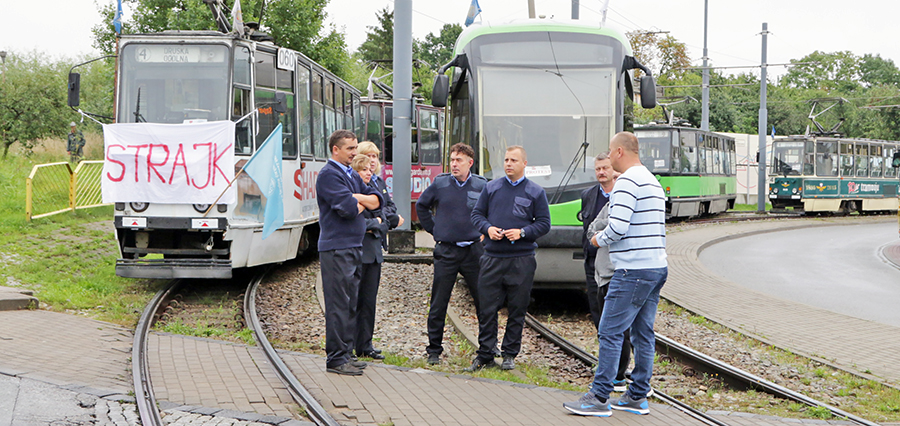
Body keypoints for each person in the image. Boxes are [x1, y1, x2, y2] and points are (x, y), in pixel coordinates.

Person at [564, 132, 667, 417]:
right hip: (656, 266)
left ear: (620, 152)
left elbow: (618, 227)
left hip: (631, 269)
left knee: (609, 331)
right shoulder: (652, 181)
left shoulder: (626, 183)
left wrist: (596, 240)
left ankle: (598, 397)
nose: (608, 157)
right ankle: (637, 396)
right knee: (643, 332)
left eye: (610, 152)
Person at [467, 145, 551, 372]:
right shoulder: (491, 188)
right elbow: (477, 214)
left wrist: (523, 232)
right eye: (506, 160)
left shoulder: (535, 192)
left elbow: (544, 223)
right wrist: (488, 228)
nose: (508, 164)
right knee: (487, 308)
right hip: (492, 257)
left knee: (517, 308)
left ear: (524, 164)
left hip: (521, 259)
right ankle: (485, 353)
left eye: (514, 160)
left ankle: (509, 354)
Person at [316, 130, 382, 376]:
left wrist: (358, 198)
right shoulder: (329, 175)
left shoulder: (350, 174)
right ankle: (335, 358)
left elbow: (378, 201)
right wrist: (360, 202)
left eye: (356, 147)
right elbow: (346, 209)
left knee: (350, 303)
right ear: (336, 149)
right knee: (338, 304)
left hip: (353, 246)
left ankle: (346, 354)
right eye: (350, 148)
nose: (355, 152)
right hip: (336, 247)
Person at [415, 143, 487, 366]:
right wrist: (435, 229)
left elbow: (492, 211)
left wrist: (485, 231)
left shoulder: (482, 185)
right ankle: (434, 350)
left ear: (470, 163)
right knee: (439, 301)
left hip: (473, 251)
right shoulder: (441, 183)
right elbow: (421, 206)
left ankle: (487, 348)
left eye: (459, 160)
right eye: (452, 160)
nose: (454, 164)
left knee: (483, 300)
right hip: (447, 250)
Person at [585, 168, 632, 393]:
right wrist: (603, 226)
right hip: (603, 274)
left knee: (617, 330)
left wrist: (602, 229)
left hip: (618, 274)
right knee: (607, 328)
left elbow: (616, 228)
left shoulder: (626, 204)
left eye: (617, 177)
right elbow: (590, 230)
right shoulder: (608, 203)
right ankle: (613, 376)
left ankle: (615, 379)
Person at [348, 154, 391, 361]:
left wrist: (378, 223)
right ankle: (349, 346)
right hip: (357, 252)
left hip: (374, 253)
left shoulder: (374, 189)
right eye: (363, 170)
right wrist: (376, 223)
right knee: (353, 302)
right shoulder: (350, 192)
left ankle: (366, 345)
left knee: (369, 302)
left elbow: (386, 217)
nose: (368, 172)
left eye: (369, 169)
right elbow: (357, 222)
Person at [578, 152, 613, 329]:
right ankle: (603, 341)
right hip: (593, 261)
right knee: (596, 308)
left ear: (613, 169)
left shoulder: (622, 194)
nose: (601, 172)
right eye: (598, 169)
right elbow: (586, 228)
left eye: (605, 168)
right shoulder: (588, 195)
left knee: (614, 312)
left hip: (614, 263)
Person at [358, 141, 404, 230]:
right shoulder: (361, 181)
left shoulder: (379, 181)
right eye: (368, 156)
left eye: (374, 156)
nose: (372, 160)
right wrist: (392, 218)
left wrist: (382, 213)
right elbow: (370, 211)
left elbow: (391, 205)